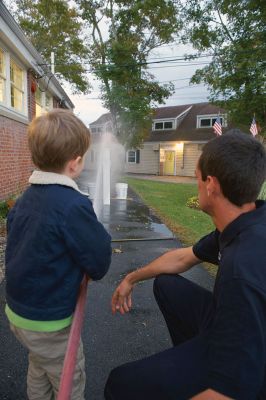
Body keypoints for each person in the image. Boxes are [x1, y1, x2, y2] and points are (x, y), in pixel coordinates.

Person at [105, 130, 266, 400]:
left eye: (196, 178)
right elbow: (182, 257)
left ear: (211, 185)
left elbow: (231, 393)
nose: (197, 185)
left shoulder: (241, 271)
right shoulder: (245, 223)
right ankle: (189, 364)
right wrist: (131, 278)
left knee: (120, 384)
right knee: (167, 284)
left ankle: (197, 372)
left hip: (251, 360)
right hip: (229, 323)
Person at [5, 109, 112, 400]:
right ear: (75, 163)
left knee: (39, 365)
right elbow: (99, 261)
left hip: (18, 313)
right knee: (68, 375)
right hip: (49, 321)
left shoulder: (23, 201)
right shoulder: (73, 205)